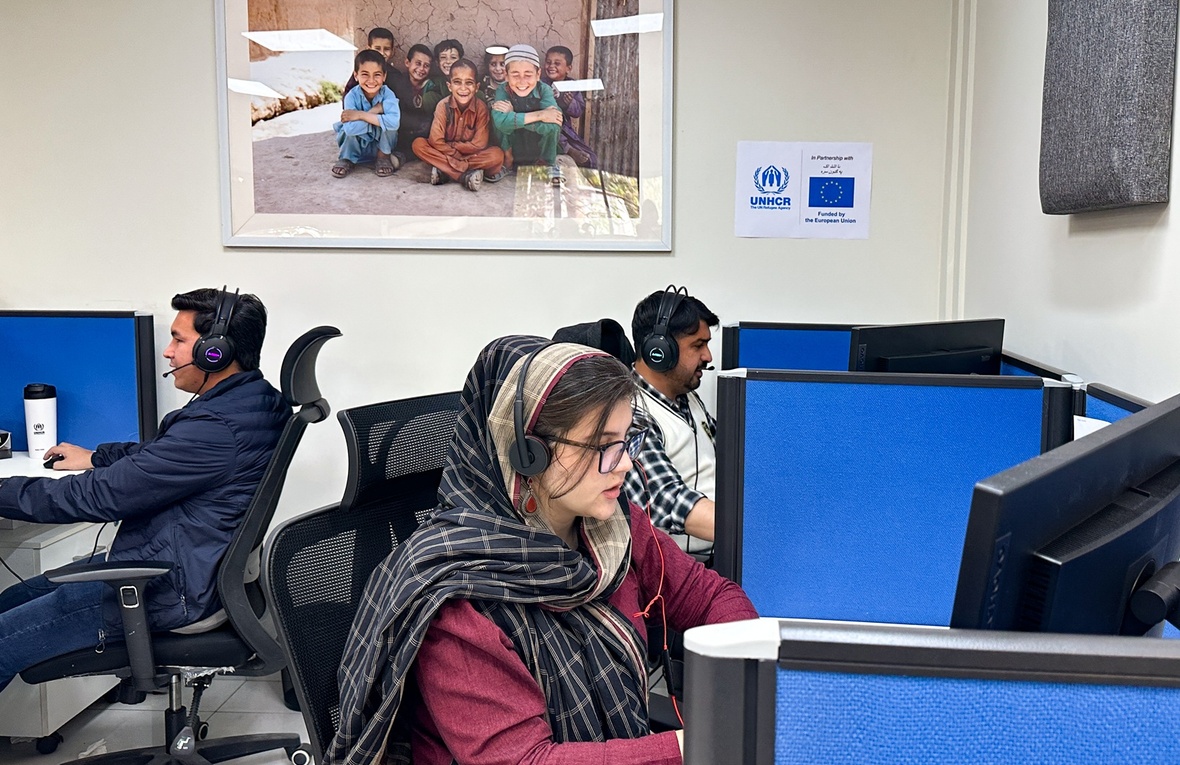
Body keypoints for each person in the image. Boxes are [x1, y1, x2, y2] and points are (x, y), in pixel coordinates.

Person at [327, 336, 756, 765]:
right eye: (603, 446)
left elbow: (712, 597)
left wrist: (748, 687)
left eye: (628, 441)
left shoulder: (613, 526)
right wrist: (698, 745)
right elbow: (525, 760)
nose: (624, 463)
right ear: (528, 454)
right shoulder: (460, 602)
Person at [0, 288, 290, 693]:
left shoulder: (215, 427)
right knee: (13, 597)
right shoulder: (254, 402)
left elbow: (99, 497)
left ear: (216, 352)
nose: (168, 352)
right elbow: (162, 458)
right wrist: (98, 457)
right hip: (192, 570)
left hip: (164, 589)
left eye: (179, 339)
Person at [624, 287, 721, 549]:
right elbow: (664, 498)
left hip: (720, 554)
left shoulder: (686, 397)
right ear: (659, 350)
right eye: (698, 345)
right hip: (678, 575)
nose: (708, 357)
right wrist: (754, 530)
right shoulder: (630, 413)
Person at [412, 59, 505, 191]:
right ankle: (463, 176)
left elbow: (480, 144)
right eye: (457, 82)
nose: (463, 88)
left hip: (465, 155)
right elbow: (436, 141)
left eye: (469, 83)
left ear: (477, 87)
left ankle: (445, 171)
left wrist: (453, 150)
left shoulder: (481, 108)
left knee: (497, 155)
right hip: (448, 153)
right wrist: (455, 154)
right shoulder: (442, 106)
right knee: (419, 144)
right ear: (449, 86)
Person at [489, 44, 564, 184]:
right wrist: (540, 115)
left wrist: (514, 117)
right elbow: (500, 122)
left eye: (528, 75)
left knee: (553, 124)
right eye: (515, 74)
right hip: (513, 146)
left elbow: (554, 122)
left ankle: (546, 164)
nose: (522, 81)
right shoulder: (502, 90)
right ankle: (507, 160)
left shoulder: (544, 90)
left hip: (535, 147)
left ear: (538, 75)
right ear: (506, 75)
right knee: (497, 118)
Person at [332, 49, 402, 178]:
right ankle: (347, 159)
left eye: (377, 75)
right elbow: (351, 129)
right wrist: (376, 114)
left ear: (384, 76)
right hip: (357, 146)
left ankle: (383, 158)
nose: (371, 80)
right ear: (356, 75)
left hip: (379, 147)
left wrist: (360, 115)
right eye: (365, 74)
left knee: (389, 128)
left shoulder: (388, 94)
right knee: (347, 130)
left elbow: (394, 123)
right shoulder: (351, 97)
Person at [543, 45, 598, 168]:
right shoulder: (542, 84)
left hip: (566, 130)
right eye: (548, 62)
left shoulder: (571, 85)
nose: (551, 66)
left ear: (568, 68)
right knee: (552, 131)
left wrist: (569, 103)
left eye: (557, 63)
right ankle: (569, 150)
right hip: (546, 126)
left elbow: (578, 112)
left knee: (591, 158)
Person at [386, 43, 436, 165]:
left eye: (426, 66)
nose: (421, 69)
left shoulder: (432, 86)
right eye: (417, 63)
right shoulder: (397, 83)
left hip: (422, 132)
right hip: (401, 128)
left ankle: (403, 156)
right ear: (407, 63)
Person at [342, 27, 401, 99]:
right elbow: (347, 96)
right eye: (377, 48)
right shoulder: (361, 71)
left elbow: (398, 101)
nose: (382, 53)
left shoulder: (395, 75)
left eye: (386, 49)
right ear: (369, 49)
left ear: (392, 51)